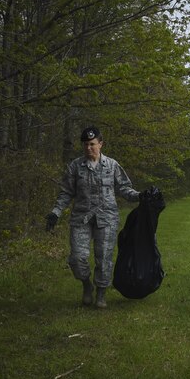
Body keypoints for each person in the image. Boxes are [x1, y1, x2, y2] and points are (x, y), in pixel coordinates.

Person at [46, 126, 140, 308]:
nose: (88, 148)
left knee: (104, 259)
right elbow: (66, 192)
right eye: (85, 145)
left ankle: (101, 294)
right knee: (77, 258)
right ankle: (87, 285)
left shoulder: (112, 165)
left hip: (107, 219)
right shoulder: (75, 166)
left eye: (92, 144)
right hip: (81, 219)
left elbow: (124, 189)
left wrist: (140, 196)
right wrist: (55, 212)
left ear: (100, 144)